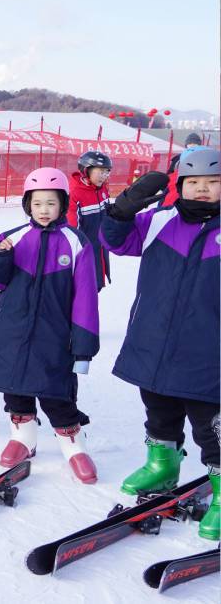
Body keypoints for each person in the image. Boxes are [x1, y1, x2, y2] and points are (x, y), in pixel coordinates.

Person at [101, 147, 219, 540]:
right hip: (154, 343)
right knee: (158, 409)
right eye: (193, 181)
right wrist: (121, 210)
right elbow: (115, 242)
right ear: (179, 185)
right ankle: (163, 465)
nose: (202, 189)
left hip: (208, 352)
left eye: (213, 182)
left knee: (212, 426)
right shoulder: (159, 220)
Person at [0, 168, 99, 484]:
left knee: (57, 394)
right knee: (15, 388)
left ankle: (74, 446)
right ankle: (23, 437)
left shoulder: (76, 242)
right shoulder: (13, 237)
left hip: (54, 334)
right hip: (12, 331)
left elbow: (86, 297)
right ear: (27, 205)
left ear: (63, 205)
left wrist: (84, 344)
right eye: (38, 203)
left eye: (51, 203)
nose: (44, 210)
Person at [67, 151, 113, 290]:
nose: (104, 176)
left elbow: (107, 214)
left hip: (100, 248)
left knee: (95, 287)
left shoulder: (102, 189)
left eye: (106, 172)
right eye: (100, 172)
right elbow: (72, 230)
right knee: (84, 289)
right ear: (86, 171)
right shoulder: (75, 193)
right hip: (85, 250)